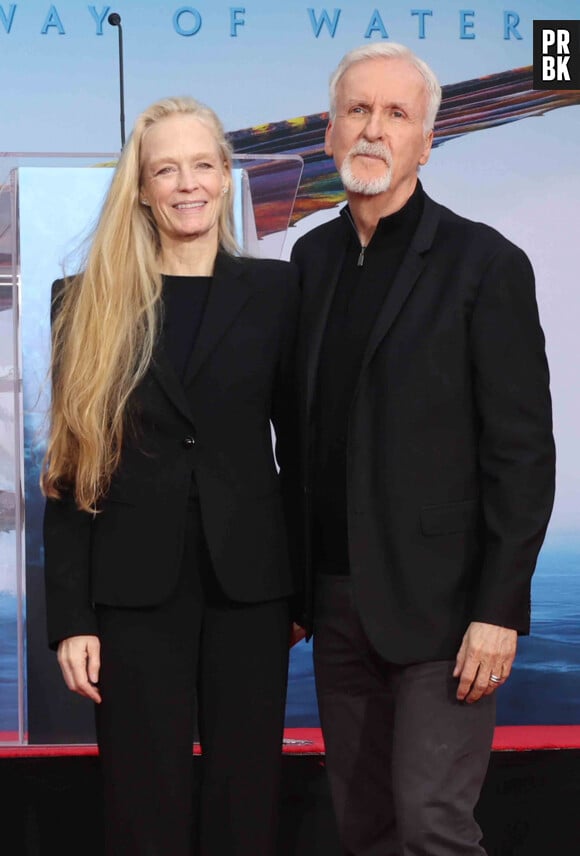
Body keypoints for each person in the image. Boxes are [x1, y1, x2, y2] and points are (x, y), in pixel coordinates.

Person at [290, 43, 555, 855]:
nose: (374, 129)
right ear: (331, 133)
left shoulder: (486, 265)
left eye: (397, 114)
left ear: (426, 142)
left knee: (434, 826)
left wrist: (497, 613)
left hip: (445, 614)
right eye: (358, 112)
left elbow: (522, 454)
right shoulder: (309, 261)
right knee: (364, 828)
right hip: (333, 605)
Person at [41, 95, 300, 856]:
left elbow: (304, 448)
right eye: (166, 169)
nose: (187, 183)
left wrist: (306, 591)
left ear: (225, 176)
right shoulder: (83, 302)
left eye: (201, 165)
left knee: (245, 799)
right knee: (139, 806)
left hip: (252, 589)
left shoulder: (278, 294)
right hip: (129, 592)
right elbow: (68, 467)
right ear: (143, 188)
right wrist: (72, 619)